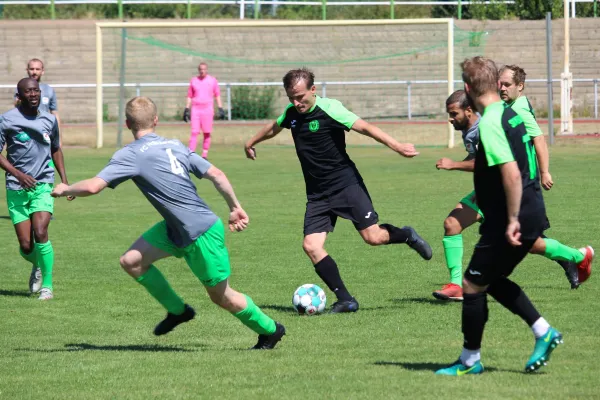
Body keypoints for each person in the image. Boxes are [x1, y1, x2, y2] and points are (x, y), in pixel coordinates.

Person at [51, 96, 285, 349]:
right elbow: (216, 174)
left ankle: (271, 329)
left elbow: (94, 186)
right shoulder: (175, 145)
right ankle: (178, 311)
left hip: (200, 233)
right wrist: (235, 207)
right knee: (131, 261)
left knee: (222, 297)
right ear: (156, 120)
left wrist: (65, 189)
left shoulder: (129, 154)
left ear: (127, 123)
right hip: (175, 229)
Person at [244, 67, 432, 314]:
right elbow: (274, 127)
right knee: (311, 246)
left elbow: (364, 127)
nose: (296, 102)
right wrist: (250, 142)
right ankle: (346, 299)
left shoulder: (330, 108)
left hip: (345, 185)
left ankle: (405, 234)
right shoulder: (292, 114)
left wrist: (396, 146)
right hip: (317, 194)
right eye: (291, 97)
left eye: (300, 96)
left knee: (373, 238)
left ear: (313, 89)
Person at [436, 57, 563, 376]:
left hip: (512, 213)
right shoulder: (510, 113)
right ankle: (543, 332)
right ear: (495, 83)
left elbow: (510, 173)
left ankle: (469, 361)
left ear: (467, 88)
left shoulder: (491, 122)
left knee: (471, 284)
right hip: (529, 208)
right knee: (488, 280)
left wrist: (512, 219)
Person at [433, 90, 591, 301]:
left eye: (454, 114)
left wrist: (454, 165)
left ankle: (579, 256)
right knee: (452, 224)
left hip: (505, 194)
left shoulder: (485, 128)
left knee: (532, 244)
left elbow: (490, 163)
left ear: (469, 111)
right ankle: (456, 285)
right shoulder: (470, 129)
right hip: (488, 191)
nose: (451, 119)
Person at [499, 65, 593, 286]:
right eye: (499, 83)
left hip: (522, 183)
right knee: (525, 238)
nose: (501, 88)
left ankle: (576, 256)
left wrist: (544, 172)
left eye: (506, 84)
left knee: (526, 240)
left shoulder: (519, 109)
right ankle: (571, 259)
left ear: (520, 86)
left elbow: (538, 139)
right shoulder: (511, 104)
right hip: (507, 182)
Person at [0, 78, 71, 300]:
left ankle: (47, 287)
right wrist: (19, 175)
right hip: (16, 186)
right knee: (26, 245)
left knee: (41, 232)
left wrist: (65, 181)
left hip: (43, 183)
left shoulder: (49, 120)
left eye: (36, 91)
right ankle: (38, 264)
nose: (34, 95)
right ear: (19, 96)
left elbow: (56, 149)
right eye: (28, 92)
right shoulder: (6, 120)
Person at [14, 59, 62, 146]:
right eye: (32, 69)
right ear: (27, 70)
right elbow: (16, 108)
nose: (34, 72)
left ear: (42, 71)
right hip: (26, 130)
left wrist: (59, 138)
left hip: (44, 130)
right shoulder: (21, 88)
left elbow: (54, 112)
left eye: (37, 69)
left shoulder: (49, 90)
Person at [183, 62, 225, 159]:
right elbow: (190, 96)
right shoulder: (194, 81)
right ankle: (190, 153)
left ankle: (204, 154)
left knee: (207, 132)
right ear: (199, 70)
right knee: (194, 132)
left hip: (207, 109)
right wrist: (186, 108)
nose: (202, 71)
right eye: (201, 69)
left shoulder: (212, 80)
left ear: (207, 70)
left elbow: (217, 94)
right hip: (196, 109)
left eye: (204, 69)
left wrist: (220, 107)